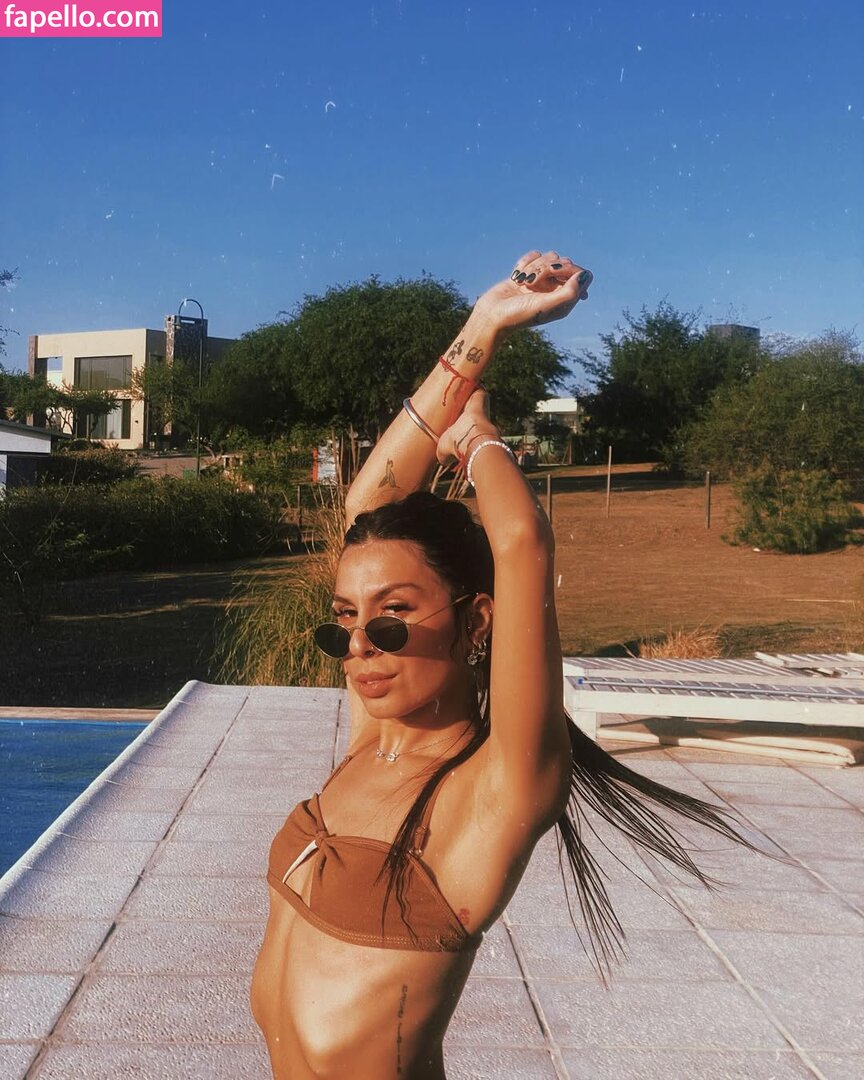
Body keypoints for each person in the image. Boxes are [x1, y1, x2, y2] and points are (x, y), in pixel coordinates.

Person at [250, 251, 753, 1079]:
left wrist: (477, 438)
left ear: (477, 621)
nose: (361, 648)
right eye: (344, 622)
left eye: (393, 618)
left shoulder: (498, 787)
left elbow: (520, 543)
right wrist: (484, 326)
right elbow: (369, 506)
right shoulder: (376, 736)